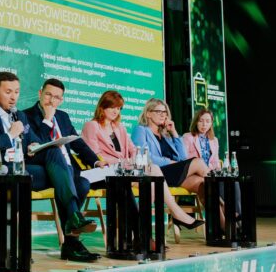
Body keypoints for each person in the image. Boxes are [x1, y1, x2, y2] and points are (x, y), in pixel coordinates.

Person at [82, 90, 203, 232]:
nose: (116, 111)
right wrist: (122, 161)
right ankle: (173, 215)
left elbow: (134, 149)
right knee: (154, 173)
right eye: (112, 107)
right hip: (106, 172)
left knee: (152, 181)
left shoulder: (119, 127)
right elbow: (94, 155)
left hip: (125, 170)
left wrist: (133, 160)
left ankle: (142, 231)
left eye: (119, 108)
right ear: (102, 106)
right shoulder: (92, 126)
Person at [21, 78, 101, 262]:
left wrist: (96, 162)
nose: (51, 100)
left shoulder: (63, 117)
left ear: (61, 100)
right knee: (64, 170)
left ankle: (71, 240)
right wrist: (47, 120)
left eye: (56, 97)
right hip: (42, 169)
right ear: (40, 93)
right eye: (48, 95)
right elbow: (36, 147)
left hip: (67, 169)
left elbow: (78, 143)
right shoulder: (26, 115)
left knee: (83, 183)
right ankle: (73, 234)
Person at [131, 98, 210, 202]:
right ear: (148, 114)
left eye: (164, 112)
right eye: (158, 111)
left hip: (173, 175)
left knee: (202, 184)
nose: (163, 115)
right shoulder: (140, 130)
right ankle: (224, 191)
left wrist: (174, 132)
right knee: (198, 162)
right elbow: (144, 157)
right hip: (156, 173)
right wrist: (170, 162)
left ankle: (223, 212)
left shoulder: (166, 135)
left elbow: (183, 157)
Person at [181, 107, 221, 171]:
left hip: (209, 172)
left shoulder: (214, 140)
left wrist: (219, 171)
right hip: (194, 172)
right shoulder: (187, 137)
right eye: (201, 121)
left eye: (207, 121)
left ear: (211, 123)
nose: (204, 124)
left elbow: (216, 162)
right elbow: (183, 159)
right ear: (196, 122)